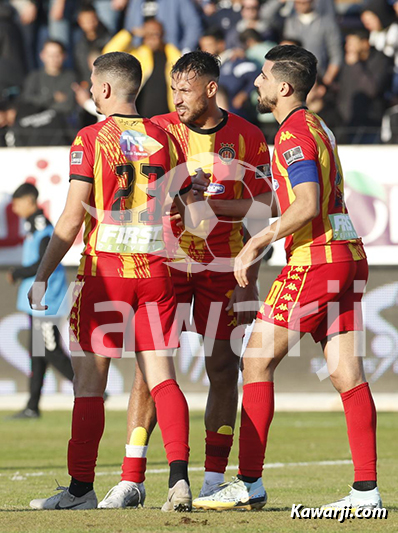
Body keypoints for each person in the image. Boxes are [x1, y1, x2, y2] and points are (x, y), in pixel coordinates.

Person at [193, 45, 381, 511]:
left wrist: (256, 243)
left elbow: (307, 204)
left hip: (315, 258)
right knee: (346, 373)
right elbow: (291, 202)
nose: (254, 83)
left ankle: (249, 483)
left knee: (255, 360)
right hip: (347, 253)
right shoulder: (316, 126)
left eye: (261, 76)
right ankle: (366, 492)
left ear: (283, 86)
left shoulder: (294, 133)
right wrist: (222, 207)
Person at [28, 51, 206, 512]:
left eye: (91, 83)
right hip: (155, 272)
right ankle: (180, 481)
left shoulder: (90, 138)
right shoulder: (164, 136)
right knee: (163, 379)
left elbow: (70, 219)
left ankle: (81, 489)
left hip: (105, 274)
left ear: (105, 90)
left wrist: (43, 274)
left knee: (89, 383)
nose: (89, 90)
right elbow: (195, 217)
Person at [98, 50, 272, 509]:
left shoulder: (249, 136)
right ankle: (131, 477)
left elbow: (265, 206)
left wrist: (204, 207)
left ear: (211, 89)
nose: (176, 98)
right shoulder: (158, 130)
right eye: (173, 88)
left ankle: (214, 479)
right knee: (148, 371)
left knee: (221, 367)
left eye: (186, 90)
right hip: (166, 263)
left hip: (224, 266)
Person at [6, 183, 73, 419]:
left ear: (29, 201)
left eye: (17, 203)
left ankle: (90, 391)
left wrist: (17, 273)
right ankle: (33, 406)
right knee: (38, 354)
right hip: (37, 302)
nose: (14, 208)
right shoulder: (33, 227)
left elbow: (44, 262)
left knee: (51, 351)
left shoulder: (44, 229)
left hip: (46, 302)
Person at [103, 19, 181, 117]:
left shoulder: (174, 56)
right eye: (148, 34)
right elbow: (109, 54)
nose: (152, 38)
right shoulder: (137, 54)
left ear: (163, 34)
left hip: (167, 118)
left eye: (155, 34)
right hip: (140, 117)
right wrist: (129, 33)